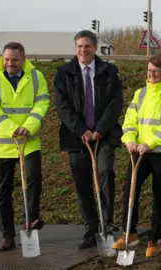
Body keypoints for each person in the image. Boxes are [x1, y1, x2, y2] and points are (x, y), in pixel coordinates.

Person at [54, 30, 123, 249]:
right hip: (77, 137)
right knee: (82, 182)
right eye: (79, 46)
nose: (83, 50)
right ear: (76, 48)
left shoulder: (109, 71)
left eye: (87, 46)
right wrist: (82, 130)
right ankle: (91, 227)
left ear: (94, 48)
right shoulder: (64, 72)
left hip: (104, 135)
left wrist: (100, 130)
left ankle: (106, 222)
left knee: (104, 172)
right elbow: (62, 105)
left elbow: (116, 102)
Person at [0, 42, 50, 251]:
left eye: (14, 60)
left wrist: (28, 127)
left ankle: (31, 219)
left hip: (28, 142)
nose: (9, 63)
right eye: (6, 59)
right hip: (0, 144)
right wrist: (12, 129)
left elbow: (42, 104)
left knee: (34, 177)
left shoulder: (37, 77)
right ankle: (7, 235)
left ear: (24, 59)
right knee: (3, 190)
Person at [111, 54, 161, 257]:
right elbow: (130, 119)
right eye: (149, 70)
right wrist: (130, 140)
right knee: (129, 191)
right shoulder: (140, 93)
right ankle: (129, 232)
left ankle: (155, 238)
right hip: (138, 152)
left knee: (160, 196)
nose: (151, 74)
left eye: (155, 71)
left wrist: (150, 143)